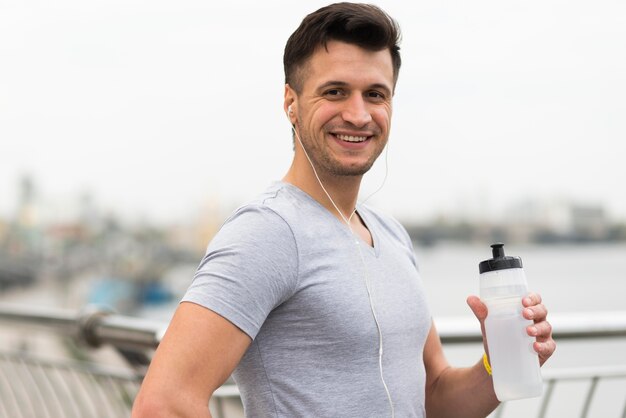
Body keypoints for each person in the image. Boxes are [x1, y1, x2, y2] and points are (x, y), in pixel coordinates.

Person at [132, 3, 556, 417]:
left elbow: (434, 398)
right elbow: (163, 403)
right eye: (335, 92)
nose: (358, 115)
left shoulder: (390, 234)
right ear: (290, 102)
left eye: (375, 95)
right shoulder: (268, 232)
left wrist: (498, 363)